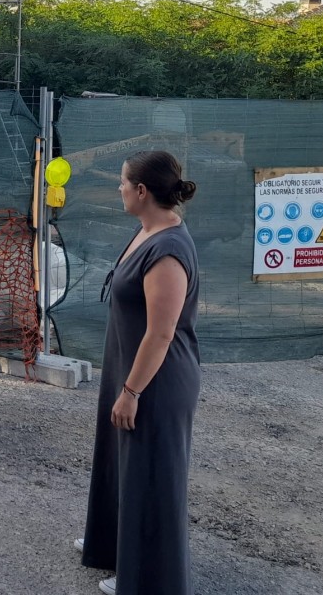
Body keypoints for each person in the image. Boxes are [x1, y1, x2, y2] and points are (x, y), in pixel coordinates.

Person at [79, 150, 200, 595]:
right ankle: (113, 550)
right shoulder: (147, 229)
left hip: (156, 381)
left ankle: (148, 581)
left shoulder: (167, 249)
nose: (119, 188)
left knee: (151, 475)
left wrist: (131, 390)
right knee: (120, 463)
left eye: (123, 183)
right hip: (128, 369)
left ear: (142, 191)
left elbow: (162, 334)